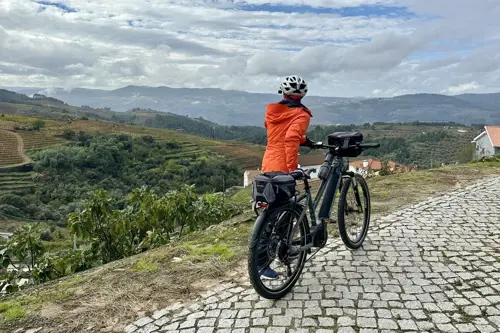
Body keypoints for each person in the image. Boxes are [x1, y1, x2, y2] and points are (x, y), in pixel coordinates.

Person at [258, 75, 315, 280]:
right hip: (283, 166)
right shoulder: (302, 115)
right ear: (302, 95)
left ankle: (280, 250)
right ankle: (263, 265)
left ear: (283, 93)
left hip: (268, 164)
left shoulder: (272, 112)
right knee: (278, 216)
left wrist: (305, 140)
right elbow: (290, 138)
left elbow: (280, 134)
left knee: (274, 213)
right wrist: (292, 169)